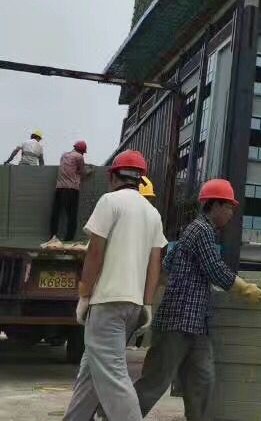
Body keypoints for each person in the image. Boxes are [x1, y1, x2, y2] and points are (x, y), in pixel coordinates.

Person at [133, 179, 261, 420]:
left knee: (202, 381)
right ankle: (117, 416)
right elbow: (214, 268)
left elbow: (169, 264)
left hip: (196, 325)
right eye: (229, 208)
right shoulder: (199, 230)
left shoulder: (196, 233)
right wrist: (244, 288)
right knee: (155, 381)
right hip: (178, 320)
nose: (231, 214)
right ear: (214, 205)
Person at [62, 149, 167, 421]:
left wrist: (84, 294)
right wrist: (146, 302)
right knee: (91, 372)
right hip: (132, 306)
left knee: (114, 378)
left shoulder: (110, 201)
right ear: (140, 179)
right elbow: (154, 264)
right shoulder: (152, 214)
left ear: (113, 176)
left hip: (107, 303)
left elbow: (95, 253)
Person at [44, 140, 94, 247]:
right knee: (71, 214)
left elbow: (71, 167)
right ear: (82, 151)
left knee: (56, 213)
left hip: (59, 188)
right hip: (71, 189)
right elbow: (83, 172)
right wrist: (91, 170)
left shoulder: (64, 155)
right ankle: (69, 238)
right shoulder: (79, 157)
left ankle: (53, 235)